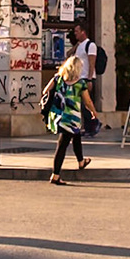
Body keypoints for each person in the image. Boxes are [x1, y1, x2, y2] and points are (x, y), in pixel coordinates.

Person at [42, 56, 97, 185]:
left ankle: (81, 161)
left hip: (59, 116)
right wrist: (93, 111)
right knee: (62, 145)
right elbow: (87, 101)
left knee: (76, 136)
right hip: (71, 118)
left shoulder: (57, 79)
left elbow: (45, 91)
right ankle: (55, 175)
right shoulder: (80, 84)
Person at [72, 22, 104, 110]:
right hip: (78, 78)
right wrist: (76, 45)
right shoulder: (79, 46)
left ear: (83, 32)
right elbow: (68, 54)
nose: (75, 33)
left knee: (86, 105)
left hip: (86, 78)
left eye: (77, 31)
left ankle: (92, 122)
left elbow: (91, 63)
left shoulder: (90, 45)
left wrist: (89, 79)